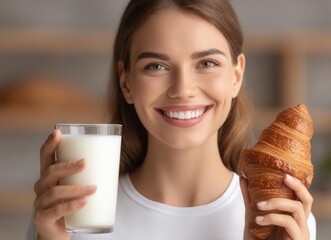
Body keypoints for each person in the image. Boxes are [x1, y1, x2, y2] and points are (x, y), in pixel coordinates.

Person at [27, 0, 316, 239]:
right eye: (156, 66)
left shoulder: (282, 220)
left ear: (236, 76)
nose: (182, 89)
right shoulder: (68, 218)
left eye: (207, 63)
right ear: (126, 82)